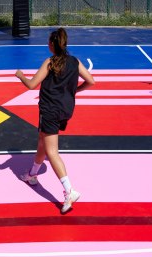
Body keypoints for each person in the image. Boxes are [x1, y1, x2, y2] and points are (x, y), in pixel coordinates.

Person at [14, 28, 96, 214]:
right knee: (43, 140)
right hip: (65, 110)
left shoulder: (50, 62)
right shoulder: (74, 61)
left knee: (52, 151)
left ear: (52, 44)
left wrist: (20, 75)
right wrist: (75, 90)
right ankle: (33, 175)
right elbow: (91, 81)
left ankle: (69, 191)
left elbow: (31, 85)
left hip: (49, 110)